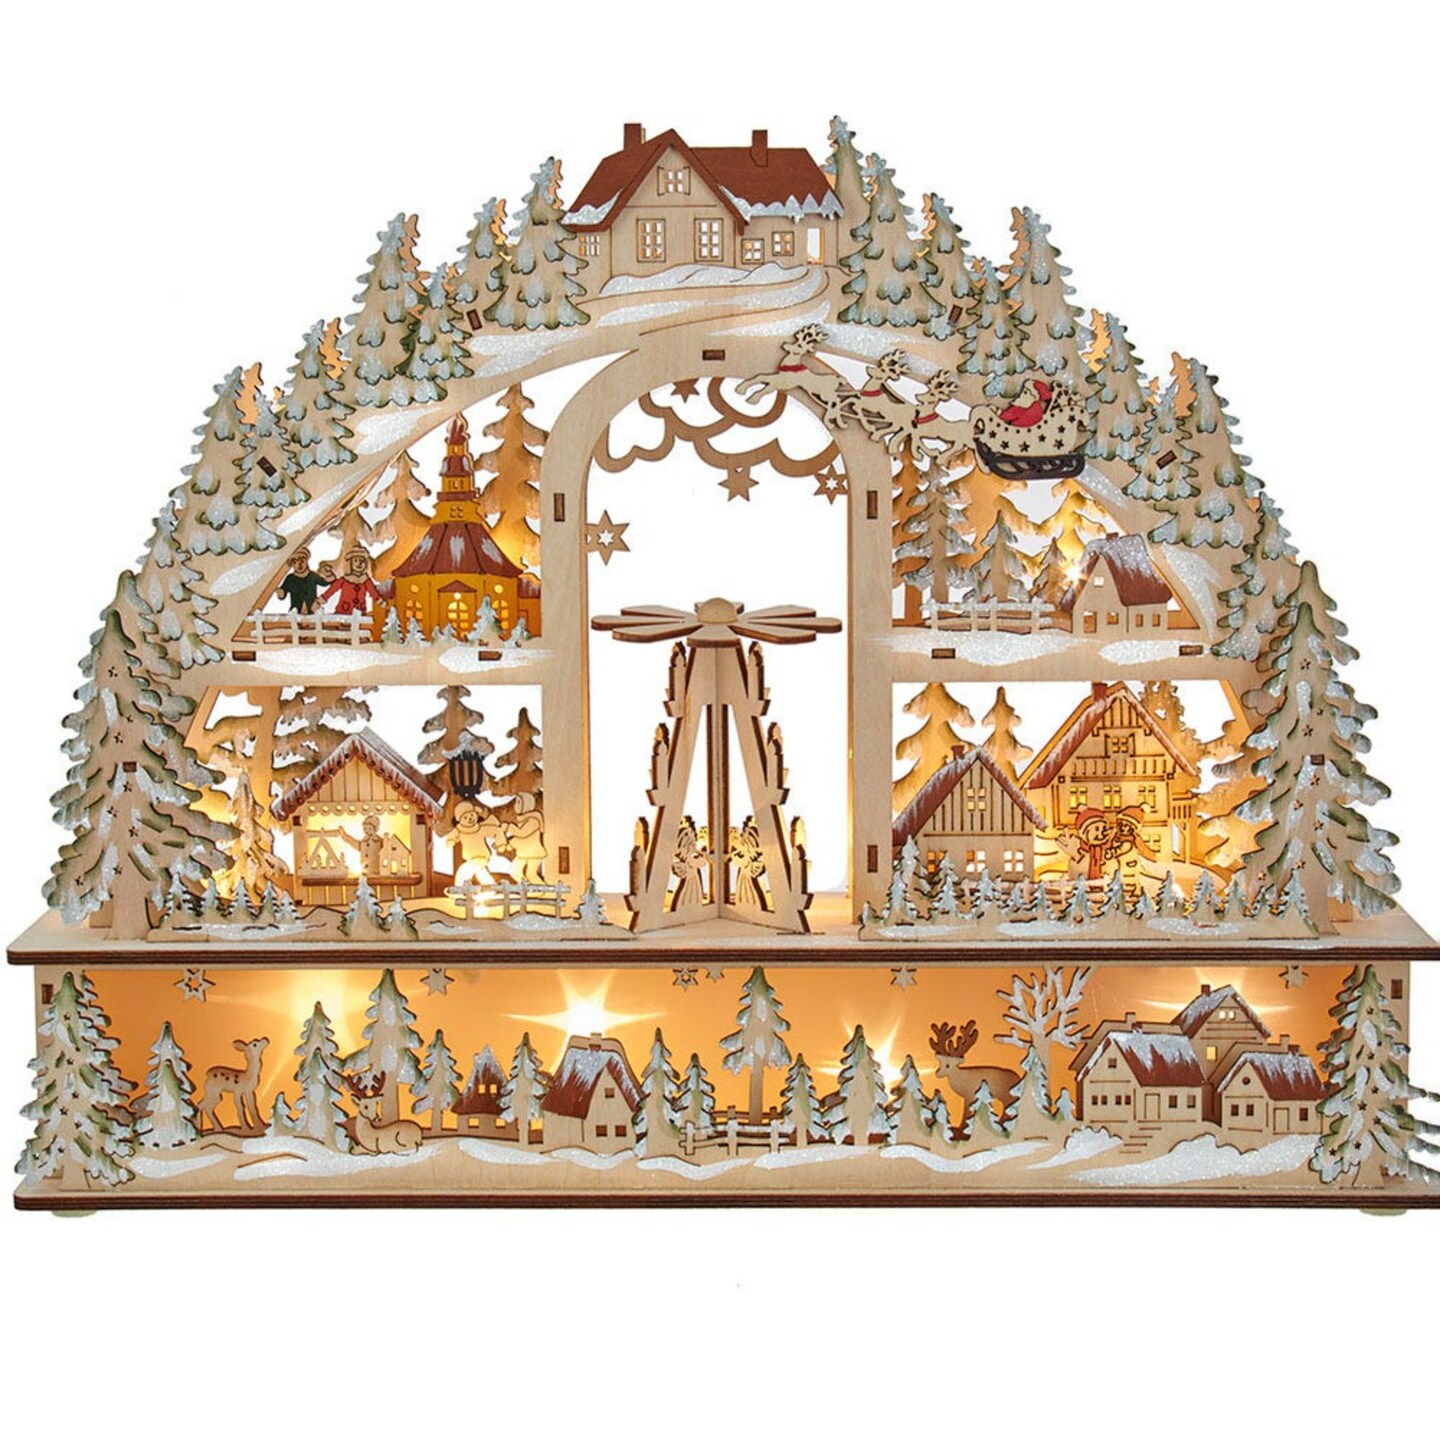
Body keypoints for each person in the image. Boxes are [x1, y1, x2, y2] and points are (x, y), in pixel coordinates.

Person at [322, 545, 383, 615]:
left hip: (360, 612)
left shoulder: (366, 581)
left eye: (361, 561)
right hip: (344, 611)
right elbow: (332, 589)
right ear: (350, 563)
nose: (359, 563)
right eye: (356, 560)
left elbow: (373, 592)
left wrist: (379, 601)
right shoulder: (344, 580)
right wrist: (323, 598)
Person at [276, 546, 323, 614]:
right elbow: (283, 593)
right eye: (295, 562)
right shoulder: (290, 578)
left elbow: (324, 582)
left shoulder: (312, 575)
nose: (299, 564)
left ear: (306, 561)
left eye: (302, 561)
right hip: (295, 612)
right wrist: (277, 590)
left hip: (312, 610)